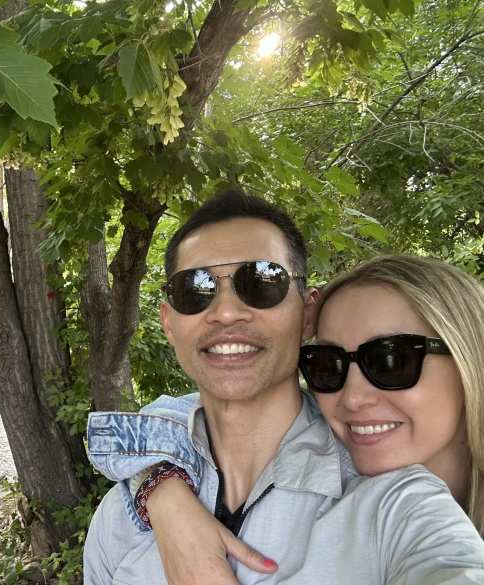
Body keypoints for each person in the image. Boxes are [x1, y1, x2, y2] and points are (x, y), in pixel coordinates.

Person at [82, 189, 484, 584]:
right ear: (169, 322)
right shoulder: (121, 521)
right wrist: (157, 483)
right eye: (196, 290)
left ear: (307, 311)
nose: (225, 312)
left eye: (262, 282)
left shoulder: (397, 502)